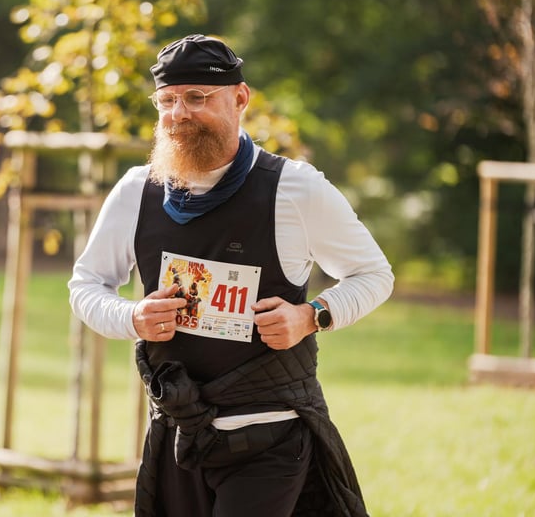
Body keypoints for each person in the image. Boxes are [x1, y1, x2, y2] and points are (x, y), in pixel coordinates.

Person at [68, 34, 393, 517]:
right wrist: (132, 317)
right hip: (178, 431)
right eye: (167, 101)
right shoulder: (136, 191)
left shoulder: (295, 188)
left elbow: (374, 274)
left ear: (240, 98)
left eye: (197, 97)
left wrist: (312, 316)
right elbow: (86, 286)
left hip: (271, 437)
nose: (179, 113)